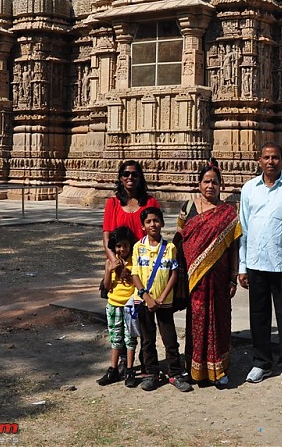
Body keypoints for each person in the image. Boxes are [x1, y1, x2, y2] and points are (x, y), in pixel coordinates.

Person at [238, 141, 282, 387]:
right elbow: (244, 230)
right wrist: (242, 266)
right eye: (266, 157)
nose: (271, 162)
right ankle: (261, 362)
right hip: (256, 263)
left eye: (275, 157)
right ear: (259, 161)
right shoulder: (249, 189)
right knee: (258, 316)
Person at [176, 160, 242, 388]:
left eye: (215, 182)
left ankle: (219, 370)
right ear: (199, 184)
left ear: (220, 185)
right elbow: (179, 241)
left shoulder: (227, 212)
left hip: (220, 279)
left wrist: (233, 276)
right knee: (196, 321)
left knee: (219, 321)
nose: (210, 186)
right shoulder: (188, 208)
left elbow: (234, 247)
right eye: (206, 181)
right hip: (194, 279)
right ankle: (195, 370)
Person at [131, 207, 193, 392]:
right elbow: (135, 274)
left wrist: (162, 297)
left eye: (156, 221)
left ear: (162, 223)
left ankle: (175, 373)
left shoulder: (170, 248)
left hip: (164, 302)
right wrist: (147, 297)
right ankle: (151, 373)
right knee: (147, 339)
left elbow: (174, 274)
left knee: (170, 339)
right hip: (143, 301)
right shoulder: (138, 247)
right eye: (148, 222)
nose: (153, 224)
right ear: (143, 226)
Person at [97, 226, 138, 388]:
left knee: (130, 339)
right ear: (114, 247)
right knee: (115, 338)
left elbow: (136, 282)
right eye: (118, 246)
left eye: (125, 246)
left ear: (130, 246)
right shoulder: (109, 262)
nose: (122, 249)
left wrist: (128, 273)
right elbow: (106, 287)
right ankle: (113, 369)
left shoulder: (134, 261)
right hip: (114, 304)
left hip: (129, 305)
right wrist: (110, 271)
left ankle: (129, 370)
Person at [102, 160, 159, 268]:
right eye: (126, 174)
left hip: (145, 262)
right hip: (120, 262)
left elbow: (156, 235)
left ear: (140, 178)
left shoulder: (150, 202)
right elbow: (106, 238)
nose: (130, 177)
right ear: (120, 178)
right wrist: (115, 262)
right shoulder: (112, 204)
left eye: (135, 174)